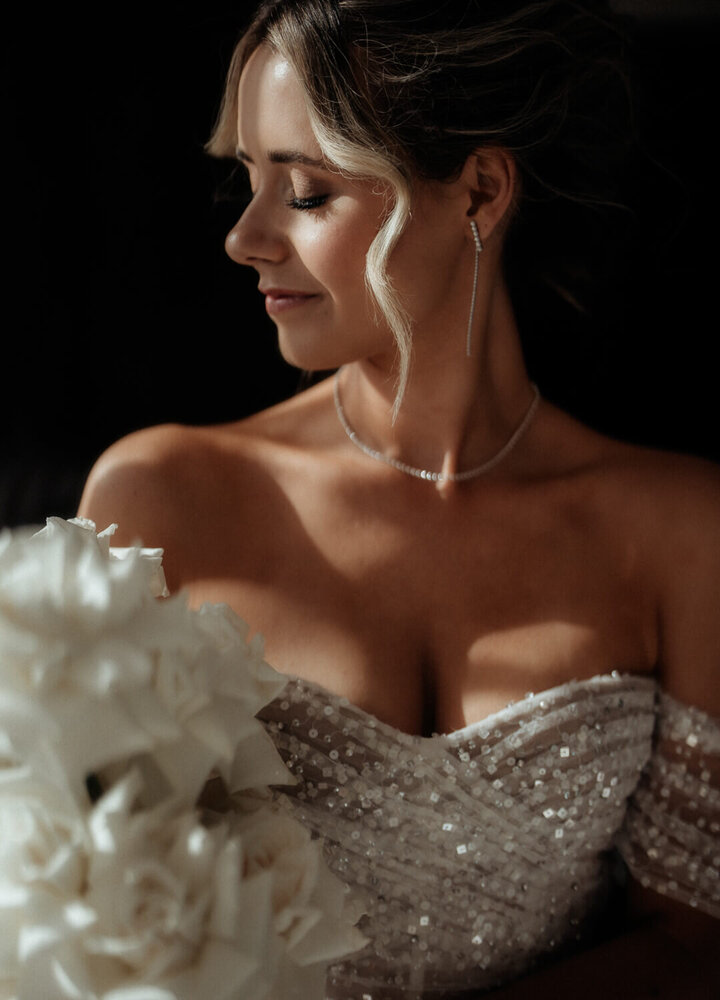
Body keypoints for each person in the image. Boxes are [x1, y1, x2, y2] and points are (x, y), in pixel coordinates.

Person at [78, 1, 720, 995]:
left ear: (479, 190)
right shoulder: (163, 501)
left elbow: (691, 943)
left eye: (302, 191)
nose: (243, 238)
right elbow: (74, 920)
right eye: (244, 182)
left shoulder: (676, 531)